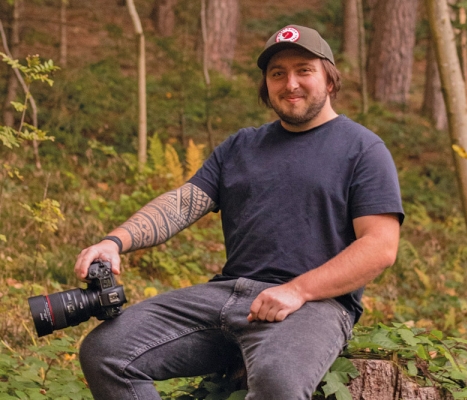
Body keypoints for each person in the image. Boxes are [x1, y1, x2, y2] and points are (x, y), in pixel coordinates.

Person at [75, 24, 404, 400]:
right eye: (277, 74)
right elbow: (182, 204)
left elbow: (380, 246)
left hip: (313, 305)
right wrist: (114, 242)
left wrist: (298, 290)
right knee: (106, 352)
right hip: (226, 296)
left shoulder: (362, 149)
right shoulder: (242, 146)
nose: (290, 83)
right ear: (266, 86)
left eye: (304, 70)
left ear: (329, 80)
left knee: (278, 384)